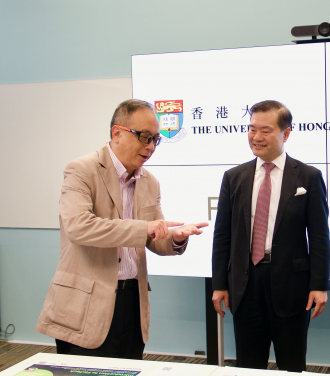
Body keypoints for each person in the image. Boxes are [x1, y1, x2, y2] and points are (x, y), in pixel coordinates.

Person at [36, 99, 208, 359]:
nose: (150, 147)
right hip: (87, 303)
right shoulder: (81, 170)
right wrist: (145, 229)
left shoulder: (150, 181)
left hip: (132, 301)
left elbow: (153, 238)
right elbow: (79, 227)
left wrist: (175, 238)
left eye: (155, 140)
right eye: (144, 137)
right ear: (117, 133)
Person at [211, 100, 330, 372]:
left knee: (291, 363)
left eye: (265, 130)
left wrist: (319, 284)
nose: (256, 137)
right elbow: (222, 236)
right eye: (251, 129)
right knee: (248, 364)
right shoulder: (234, 177)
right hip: (245, 283)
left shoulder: (309, 177)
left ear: (285, 134)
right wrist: (220, 283)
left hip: (292, 285)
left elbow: (320, 237)